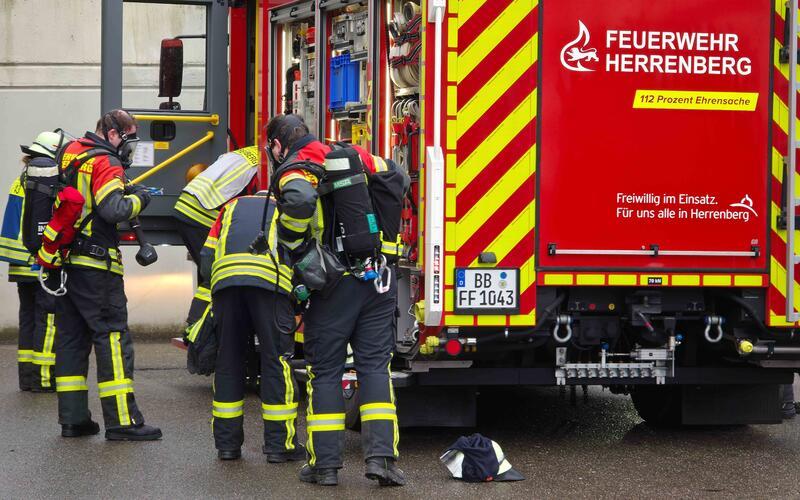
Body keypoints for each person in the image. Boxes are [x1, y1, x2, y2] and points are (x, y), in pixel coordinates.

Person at [266, 114, 405, 487]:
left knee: (325, 371)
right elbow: (395, 175)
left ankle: (324, 465)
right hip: (377, 278)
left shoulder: (299, 165)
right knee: (375, 367)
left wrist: (297, 251)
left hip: (332, 285)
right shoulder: (353, 153)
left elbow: (297, 202)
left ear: (278, 145)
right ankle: (382, 461)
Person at [54, 109, 161, 440]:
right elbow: (113, 210)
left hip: (66, 263)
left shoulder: (71, 153)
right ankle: (123, 422)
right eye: (128, 139)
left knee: (71, 340)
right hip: (97, 267)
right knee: (112, 337)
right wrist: (140, 199)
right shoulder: (106, 162)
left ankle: (73, 420)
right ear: (113, 135)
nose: (129, 147)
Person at [200, 188, 304, 462]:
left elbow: (206, 257)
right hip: (269, 287)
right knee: (276, 361)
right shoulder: (284, 208)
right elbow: (302, 254)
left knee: (229, 362)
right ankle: (279, 447)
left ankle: (227, 446)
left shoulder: (230, 207)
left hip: (226, 286)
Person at [173, 147, 260, 344]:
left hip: (185, 205)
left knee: (211, 274)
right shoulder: (263, 163)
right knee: (216, 275)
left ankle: (202, 328)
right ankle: (199, 330)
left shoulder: (243, 153)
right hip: (203, 214)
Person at [0, 131, 62, 392]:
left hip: (18, 260)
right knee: (47, 317)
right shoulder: (44, 174)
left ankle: (27, 378)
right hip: (34, 259)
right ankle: (44, 378)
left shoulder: (23, 176)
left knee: (28, 317)